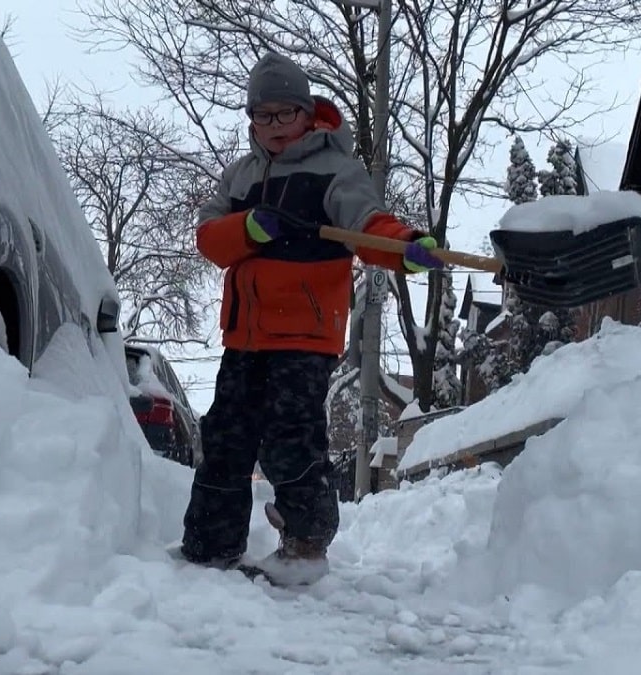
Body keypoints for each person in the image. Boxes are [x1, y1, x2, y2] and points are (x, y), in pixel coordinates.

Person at [179, 51, 442, 585]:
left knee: (290, 435)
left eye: (285, 114)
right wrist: (250, 228)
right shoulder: (241, 176)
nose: (274, 126)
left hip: (304, 333)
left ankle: (305, 543)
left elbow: (370, 226)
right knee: (226, 435)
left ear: (307, 112)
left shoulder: (335, 172)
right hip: (245, 334)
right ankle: (208, 549)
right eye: (262, 116)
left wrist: (406, 247)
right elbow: (210, 237)